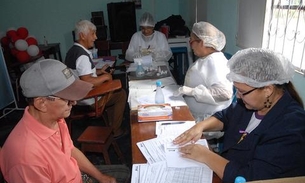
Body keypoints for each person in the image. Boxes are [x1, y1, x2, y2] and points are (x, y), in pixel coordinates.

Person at [174, 48, 305, 182]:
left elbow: (251, 177)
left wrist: (206, 155)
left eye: (242, 91)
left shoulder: (291, 126)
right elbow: (226, 116)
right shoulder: (252, 103)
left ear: (267, 89)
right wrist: (200, 126)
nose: (238, 97)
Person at [0, 59, 130, 183]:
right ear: (41, 103)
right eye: (66, 98)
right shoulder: (26, 158)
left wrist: (100, 177)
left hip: (75, 175)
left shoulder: (56, 119)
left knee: (126, 172)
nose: (73, 102)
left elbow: (70, 150)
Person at [65, 20, 128, 138]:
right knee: (120, 94)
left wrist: (99, 72)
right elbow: (87, 81)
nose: (96, 37)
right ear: (82, 35)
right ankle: (116, 130)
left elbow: (81, 73)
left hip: (76, 94)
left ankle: (111, 123)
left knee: (111, 89)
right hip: (88, 98)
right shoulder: (82, 56)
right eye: (93, 33)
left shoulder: (72, 51)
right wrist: (105, 76)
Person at [173, 21, 232, 140]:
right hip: (195, 116)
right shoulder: (206, 59)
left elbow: (224, 93)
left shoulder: (214, 61)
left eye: (192, 41)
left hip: (205, 121)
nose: (191, 45)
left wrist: (192, 92)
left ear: (203, 42)